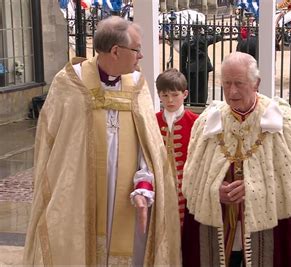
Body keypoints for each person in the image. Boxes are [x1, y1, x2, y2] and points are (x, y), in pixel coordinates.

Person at [23, 16, 181, 265]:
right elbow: (51, 144)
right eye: (137, 49)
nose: (141, 56)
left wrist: (144, 187)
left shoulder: (137, 85)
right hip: (79, 198)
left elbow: (148, 146)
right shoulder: (69, 83)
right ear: (116, 51)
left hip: (127, 200)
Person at [181, 52, 291, 267]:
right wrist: (213, 189)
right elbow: (192, 179)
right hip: (220, 229)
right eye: (226, 84)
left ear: (256, 83)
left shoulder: (286, 123)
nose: (232, 92)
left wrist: (255, 189)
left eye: (239, 83)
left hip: (271, 232)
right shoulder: (207, 122)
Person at [155, 68, 199, 227]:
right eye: (165, 95)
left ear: (185, 94)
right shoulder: (153, 121)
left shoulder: (196, 121)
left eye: (175, 95)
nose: (170, 100)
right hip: (161, 190)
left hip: (188, 192)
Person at [180, 24, 222, 106]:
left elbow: (183, 57)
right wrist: (209, 30)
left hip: (191, 69)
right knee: (203, 88)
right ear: (200, 29)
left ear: (192, 30)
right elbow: (219, 36)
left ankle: (193, 104)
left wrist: (183, 71)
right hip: (203, 67)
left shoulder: (186, 41)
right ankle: (202, 104)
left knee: (192, 88)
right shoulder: (205, 39)